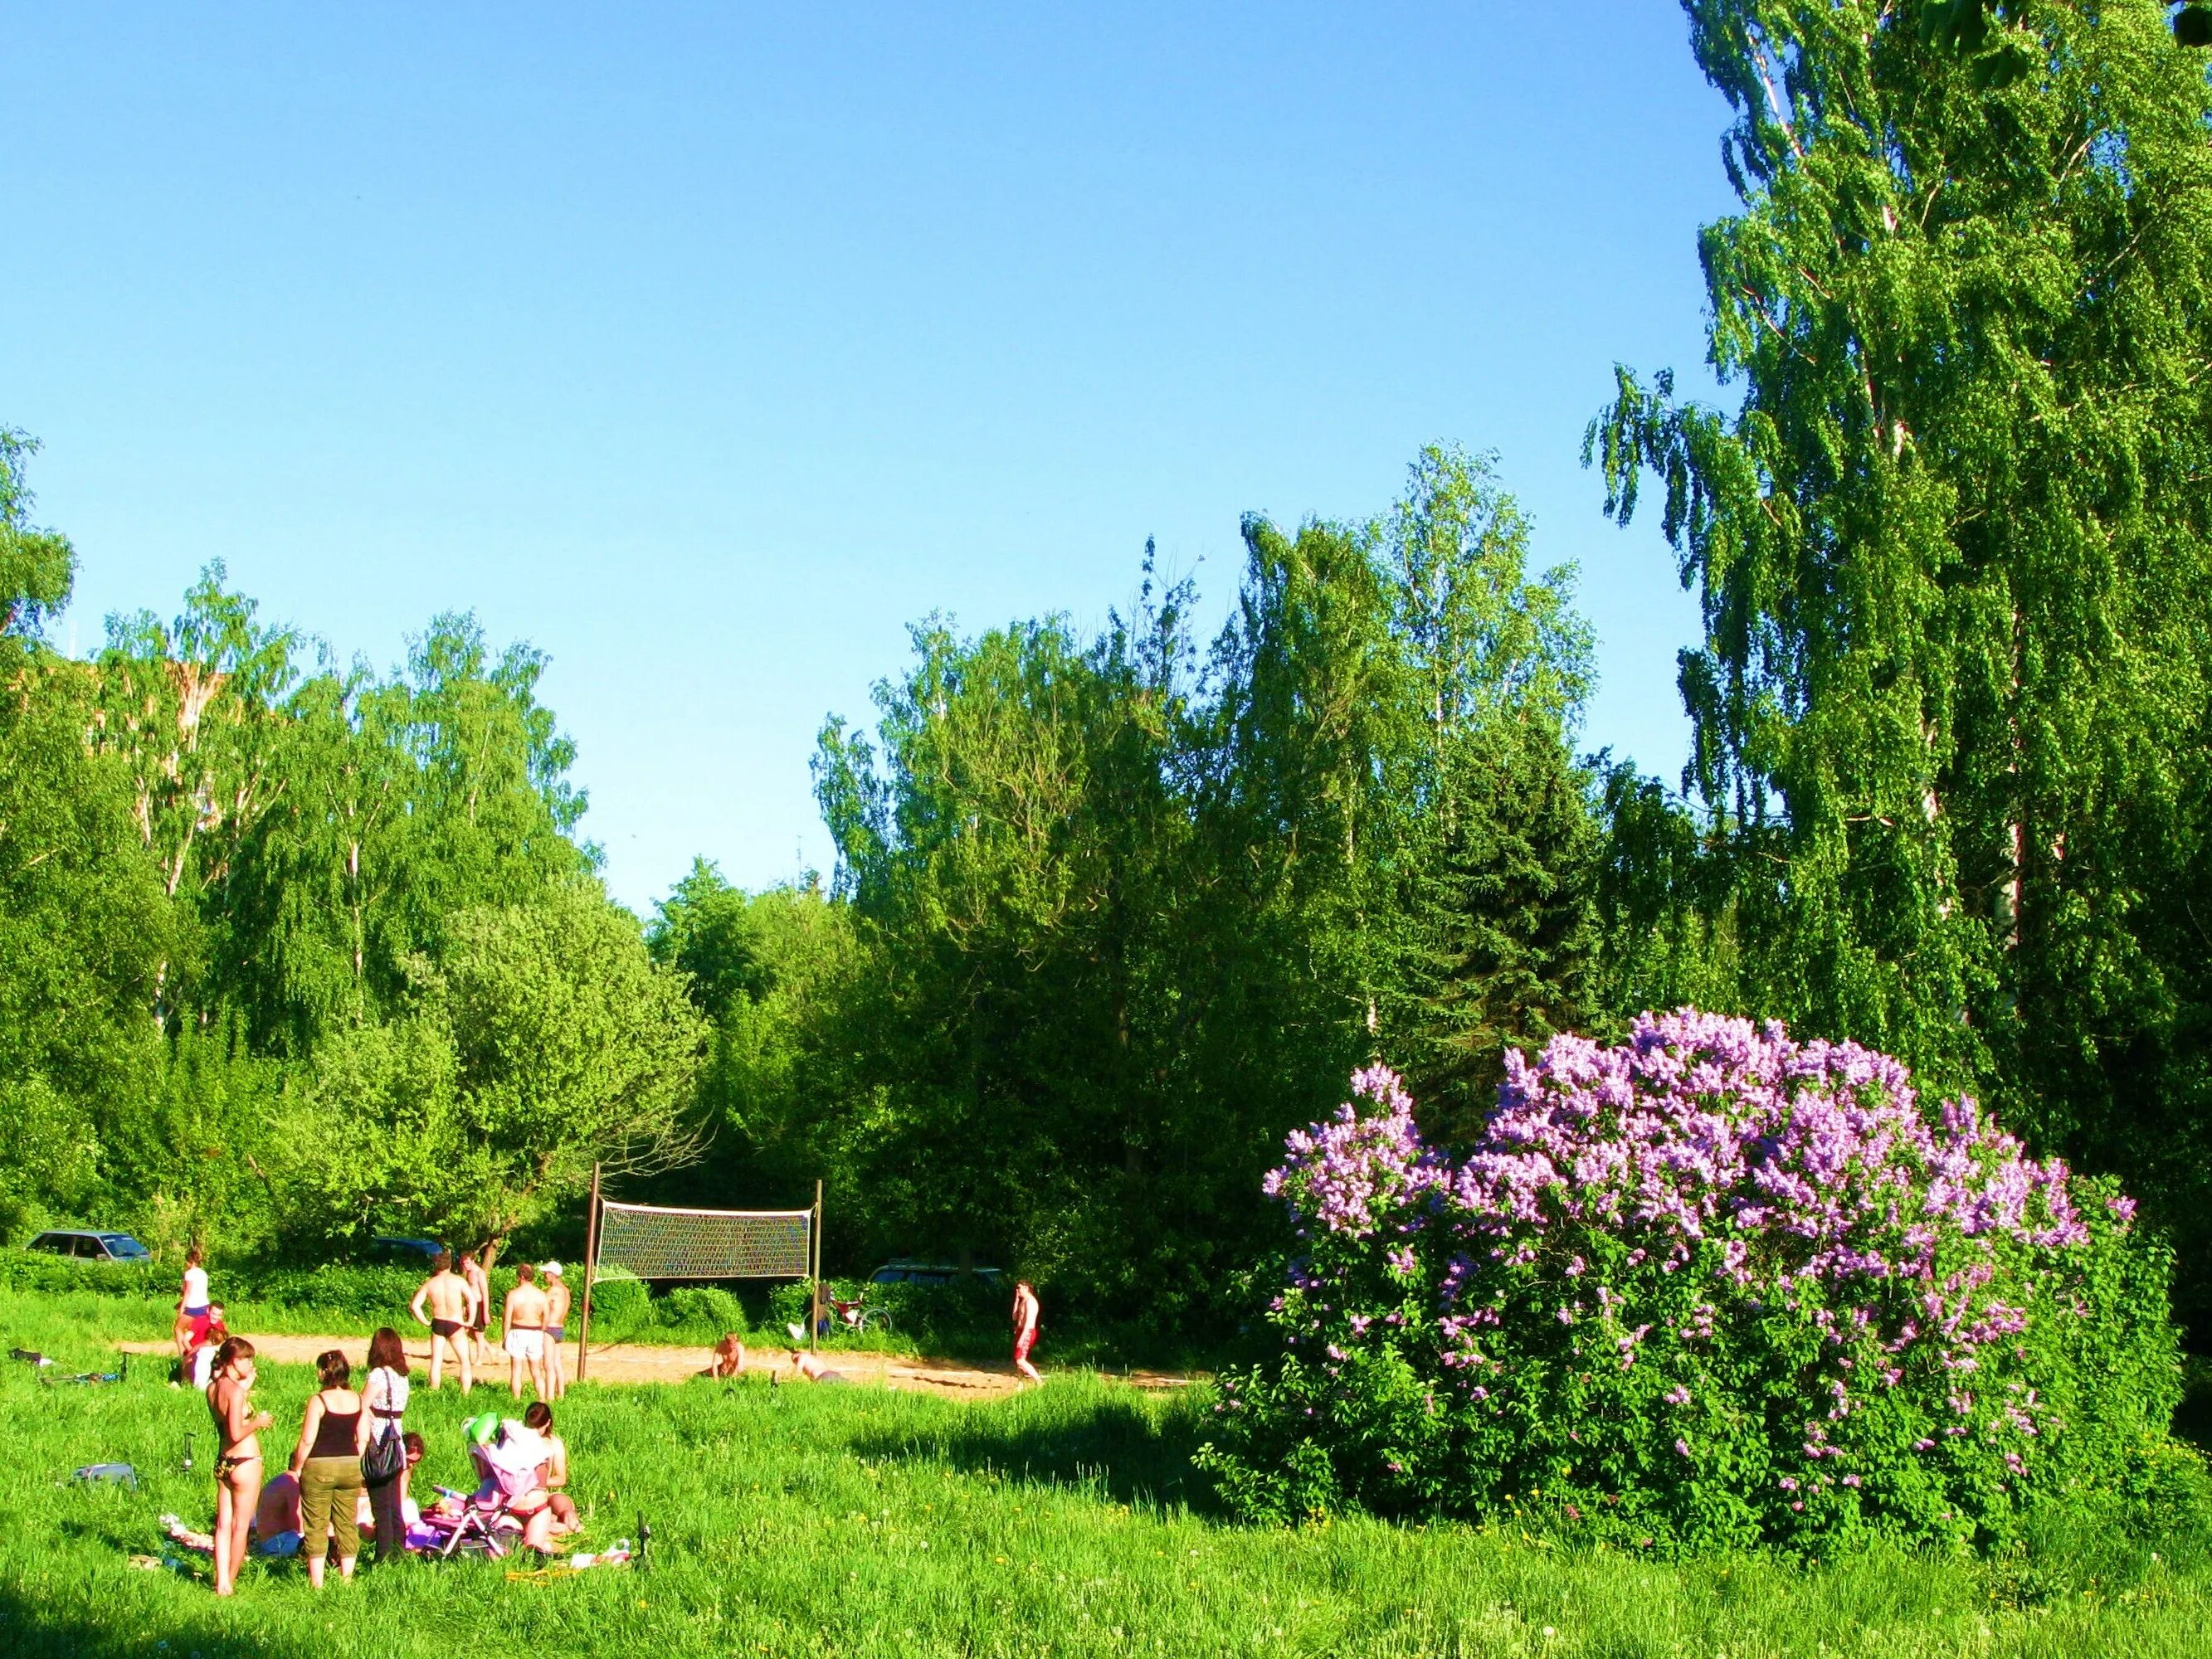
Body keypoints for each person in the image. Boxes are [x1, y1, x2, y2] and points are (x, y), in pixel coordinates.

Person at [288, 1349, 368, 1589]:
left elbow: (307, 1440)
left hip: (319, 1466)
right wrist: (355, 1460)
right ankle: (346, 1579)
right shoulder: (358, 1399)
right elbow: (363, 1438)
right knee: (347, 1522)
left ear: (324, 1372)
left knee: (317, 1524)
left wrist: (298, 1467)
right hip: (351, 1465)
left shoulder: (318, 1400)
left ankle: (317, 1582)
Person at [206, 1336, 273, 1596]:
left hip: (224, 1461)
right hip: (245, 1460)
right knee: (240, 1527)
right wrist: (259, 1422)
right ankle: (229, 1584)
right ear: (233, 1360)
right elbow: (236, 1432)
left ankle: (221, 1579)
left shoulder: (213, 1388)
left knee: (223, 1525)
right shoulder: (235, 1393)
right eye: (246, 1358)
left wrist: (243, 1388)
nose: (250, 1363)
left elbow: (225, 1423)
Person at [361, 1326, 412, 1564]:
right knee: (394, 1506)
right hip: (397, 1444)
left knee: (380, 1506)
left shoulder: (378, 1375)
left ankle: (382, 1557)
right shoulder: (402, 1378)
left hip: (379, 1444)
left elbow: (361, 1405)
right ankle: (398, 1554)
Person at [408, 1251, 476, 1394]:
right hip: (455, 1322)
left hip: (438, 1322)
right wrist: (470, 1321)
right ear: (450, 1265)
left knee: (436, 1361)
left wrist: (426, 1322)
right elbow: (472, 1299)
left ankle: (434, 1392)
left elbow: (415, 1305)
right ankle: (465, 1394)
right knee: (465, 1361)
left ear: (436, 1266)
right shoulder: (458, 1281)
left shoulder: (430, 1283)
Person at [521, 1401, 582, 1533]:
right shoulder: (518, 1439)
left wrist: (539, 1481)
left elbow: (561, 1478)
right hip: (520, 1494)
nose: (533, 1432)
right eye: (530, 1427)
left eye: (537, 1428)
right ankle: (550, 1524)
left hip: (543, 1492)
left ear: (548, 1423)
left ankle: (569, 1519)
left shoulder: (554, 1443)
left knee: (560, 1500)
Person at [502, 1262, 552, 1399]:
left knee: (516, 1370)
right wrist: (541, 1332)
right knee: (536, 1370)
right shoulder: (541, 1295)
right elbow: (546, 1317)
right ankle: (542, 1399)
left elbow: (507, 1318)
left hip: (518, 1330)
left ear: (521, 1277)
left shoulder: (513, 1295)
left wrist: (505, 1336)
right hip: (536, 1331)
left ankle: (516, 1399)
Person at [174, 1243, 212, 1358]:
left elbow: (188, 1292)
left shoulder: (189, 1274)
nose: (185, 1264)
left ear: (191, 1262)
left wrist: (182, 1308)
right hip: (205, 1306)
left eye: (186, 1261)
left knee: (178, 1329)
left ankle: (183, 1355)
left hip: (193, 1308)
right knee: (197, 1330)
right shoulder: (203, 1273)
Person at [541, 1262, 571, 1400]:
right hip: (560, 1327)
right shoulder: (565, 1290)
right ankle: (561, 1394)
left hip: (550, 1328)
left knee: (548, 1363)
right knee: (557, 1362)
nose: (544, 1275)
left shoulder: (553, 1290)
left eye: (546, 1273)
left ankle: (550, 1395)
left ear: (552, 1275)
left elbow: (542, 1305)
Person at [460, 1251, 493, 1368]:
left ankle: (479, 1359)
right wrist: (465, 1306)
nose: (465, 1266)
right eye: (463, 1264)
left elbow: (485, 1293)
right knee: (468, 1331)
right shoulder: (467, 1273)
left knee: (479, 1334)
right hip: (470, 1305)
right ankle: (488, 1348)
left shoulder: (479, 1273)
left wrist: (486, 1312)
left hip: (479, 1305)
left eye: (467, 1263)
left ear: (473, 1261)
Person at [1011, 1279, 1042, 1384]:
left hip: (1027, 1332)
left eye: (1019, 1288)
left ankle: (1039, 1382)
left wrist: (1022, 1338)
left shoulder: (1031, 1302)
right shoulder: (1023, 1301)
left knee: (1020, 1360)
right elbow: (1014, 1317)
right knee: (1018, 1361)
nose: (1017, 1290)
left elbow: (1029, 1323)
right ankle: (1020, 1385)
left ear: (1026, 1288)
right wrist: (1016, 1300)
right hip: (1020, 1331)